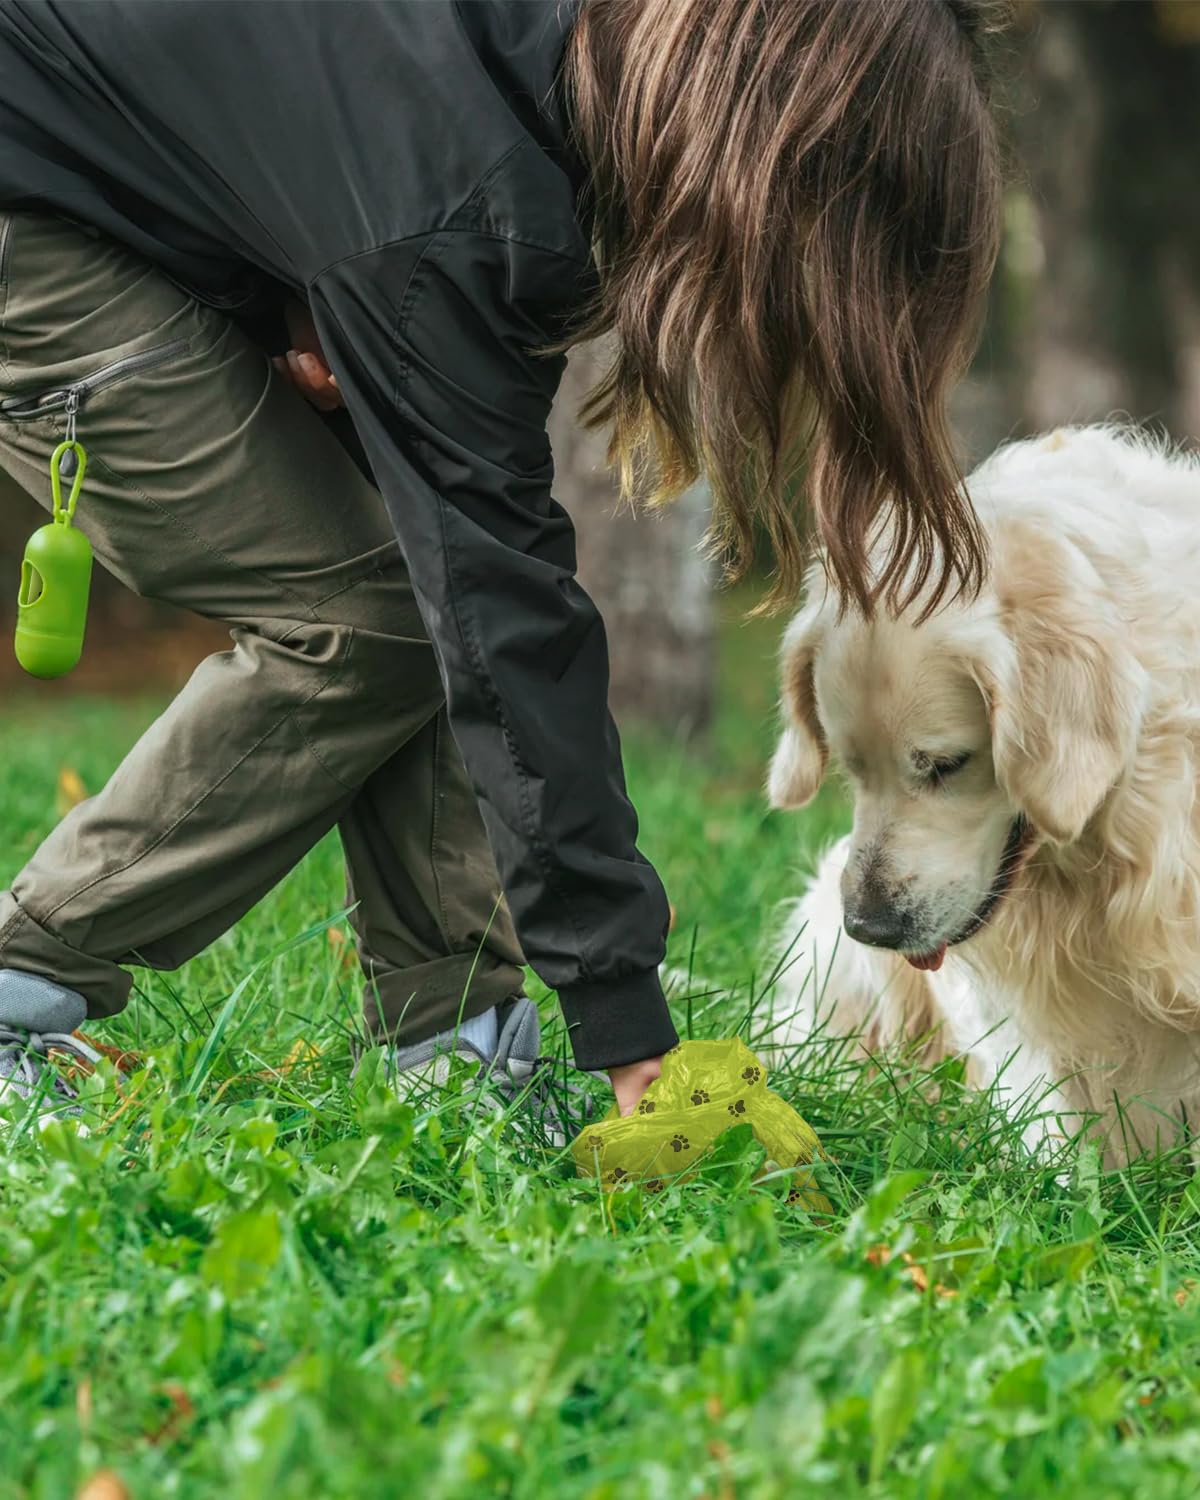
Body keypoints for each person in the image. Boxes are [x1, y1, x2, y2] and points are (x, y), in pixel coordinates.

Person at [0, 0, 1003, 1130]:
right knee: (369, 618)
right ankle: (20, 984)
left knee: (418, 578)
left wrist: (294, 273)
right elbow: (505, 612)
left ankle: (457, 1052)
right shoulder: (468, 197)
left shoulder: (537, 98)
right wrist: (625, 1024)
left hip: (108, 182)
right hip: (29, 198)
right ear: (766, 153)